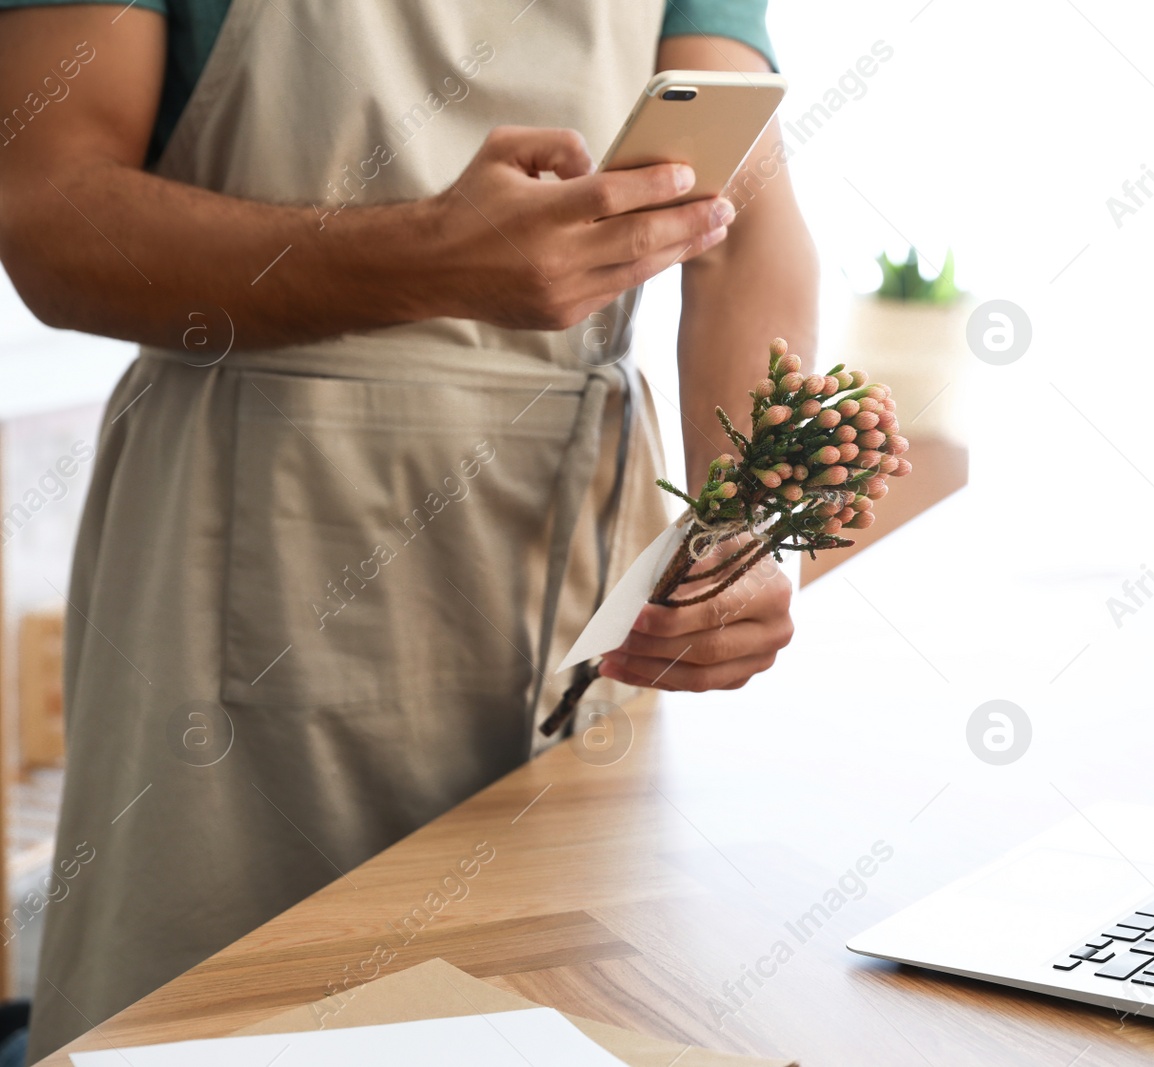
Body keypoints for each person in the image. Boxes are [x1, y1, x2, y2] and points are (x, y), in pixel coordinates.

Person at [0, 1, 816, 1061]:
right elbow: (47, 209)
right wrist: (425, 257)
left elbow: (739, 224)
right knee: (218, 1024)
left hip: (576, 563)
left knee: (560, 1012)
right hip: (252, 533)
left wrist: (746, 526)